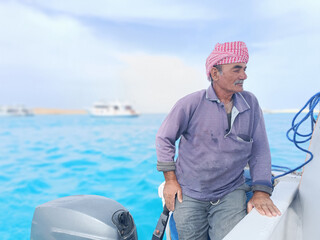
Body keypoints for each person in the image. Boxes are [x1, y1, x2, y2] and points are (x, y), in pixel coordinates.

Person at [155, 41, 281, 240]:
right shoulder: (190, 104)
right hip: (189, 192)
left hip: (230, 191)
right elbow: (164, 139)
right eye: (237, 69)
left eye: (245, 69)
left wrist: (261, 191)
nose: (244, 76)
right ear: (215, 73)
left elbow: (260, 150)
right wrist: (170, 181)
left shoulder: (251, 103)